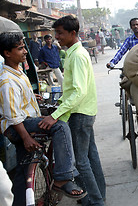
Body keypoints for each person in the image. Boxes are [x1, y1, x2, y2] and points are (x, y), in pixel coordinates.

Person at [0, 32, 86, 205]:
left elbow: (18, 101)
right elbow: (13, 115)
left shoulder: (17, 71)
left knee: (22, 170)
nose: (25, 51)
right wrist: (25, 137)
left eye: (24, 47)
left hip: (22, 122)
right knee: (59, 126)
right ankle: (62, 178)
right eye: (20, 48)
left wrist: (32, 97)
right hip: (18, 127)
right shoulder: (7, 80)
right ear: (7, 53)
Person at [39, 15, 106, 205]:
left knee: (82, 162)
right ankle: (99, 196)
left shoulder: (76, 55)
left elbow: (78, 91)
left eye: (60, 33)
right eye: (56, 33)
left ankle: (95, 201)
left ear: (72, 33)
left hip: (79, 114)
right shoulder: (74, 53)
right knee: (91, 157)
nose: (56, 37)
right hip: (85, 111)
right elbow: (72, 90)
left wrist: (55, 115)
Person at [106, 18, 138, 124]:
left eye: (137, 24)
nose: (135, 26)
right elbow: (121, 52)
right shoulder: (129, 40)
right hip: (134, 69)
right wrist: (112, 63)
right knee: (127, 84)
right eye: (133, 25)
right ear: (131, 27)